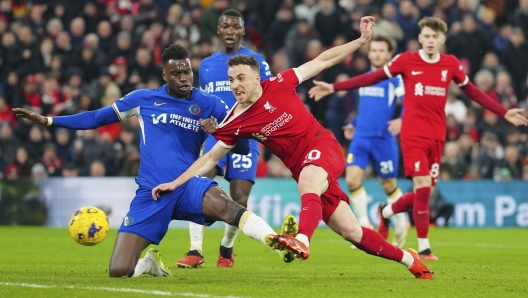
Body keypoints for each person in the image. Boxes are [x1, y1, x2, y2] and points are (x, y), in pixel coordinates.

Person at [153, 17, 434, 280]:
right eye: (230, 80)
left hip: (322, 146)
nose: (234, 85)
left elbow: (323, 60)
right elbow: (210, 158)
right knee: (352, 232)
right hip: (303, 168)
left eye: (240, 78)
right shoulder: (235, 120)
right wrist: (175, 183)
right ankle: (409, 260)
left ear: (255, 78)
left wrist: (360, 41)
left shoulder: (280, 82)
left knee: (309, 181)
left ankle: (301, 240)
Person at [13, 44, 295, 278]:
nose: (184, 78)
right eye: (177, 73)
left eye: (187, 71)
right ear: (165, 75)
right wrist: (50, 120)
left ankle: (276, 242)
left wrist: (220, 131)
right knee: (118, 271)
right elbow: (95, 118)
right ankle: (148, 264)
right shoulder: (143, 99)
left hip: (185, 185)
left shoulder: (210, 104)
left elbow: (244, 148)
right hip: (151, 193)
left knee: (228, 206)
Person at [308, 17, 528, 260]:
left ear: (442, 39)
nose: (431, 40)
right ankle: (424, 248)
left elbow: (473, 91)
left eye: (435, 37)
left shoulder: (450, 64)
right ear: (420, 38)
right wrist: (334, 88)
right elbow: (372, 77)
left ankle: (388, 210)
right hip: (413, 135)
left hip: (437, 136)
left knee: (425, 192)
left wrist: (503, 111)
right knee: (422, 186)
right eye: (427, 36)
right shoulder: (407, 61)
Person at [177, 9, 273, 269]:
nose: (230, 30)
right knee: (198, 183)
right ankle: (195, 250)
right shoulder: (207, 65)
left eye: (235, 26)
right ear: (218, 30)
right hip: (216, 135)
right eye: (225, 26)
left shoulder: (257, 62)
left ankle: (226, 248)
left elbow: (269, 97)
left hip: (247, 135)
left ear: (243, 31)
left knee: (240, 198)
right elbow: (202, 102)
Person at [314, 35, 408, 248]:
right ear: (369, 53)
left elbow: (407, 103)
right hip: (361, 138)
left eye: (381, 51)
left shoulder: (395, 79)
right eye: (373, 50)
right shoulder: (365, 78)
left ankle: (402, 221)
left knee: (388, 184)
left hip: (383, 139)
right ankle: (364, 228)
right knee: (353, 179)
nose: (376, 54)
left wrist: (401, 121)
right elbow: (367, 108)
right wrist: (354, 123)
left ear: (388, 54)